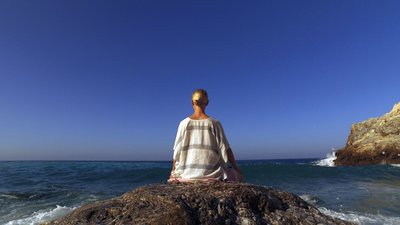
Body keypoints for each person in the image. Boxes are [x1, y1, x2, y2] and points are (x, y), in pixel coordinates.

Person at [168, 89, 243, 182]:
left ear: (192, 102)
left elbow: (177, 151)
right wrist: (236, 167)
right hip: (212, 175)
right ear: (207, 103)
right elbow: (226, 148)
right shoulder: (214, 123)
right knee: (237, 176)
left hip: (186, 175)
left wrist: (173, 170)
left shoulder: (183, 123)